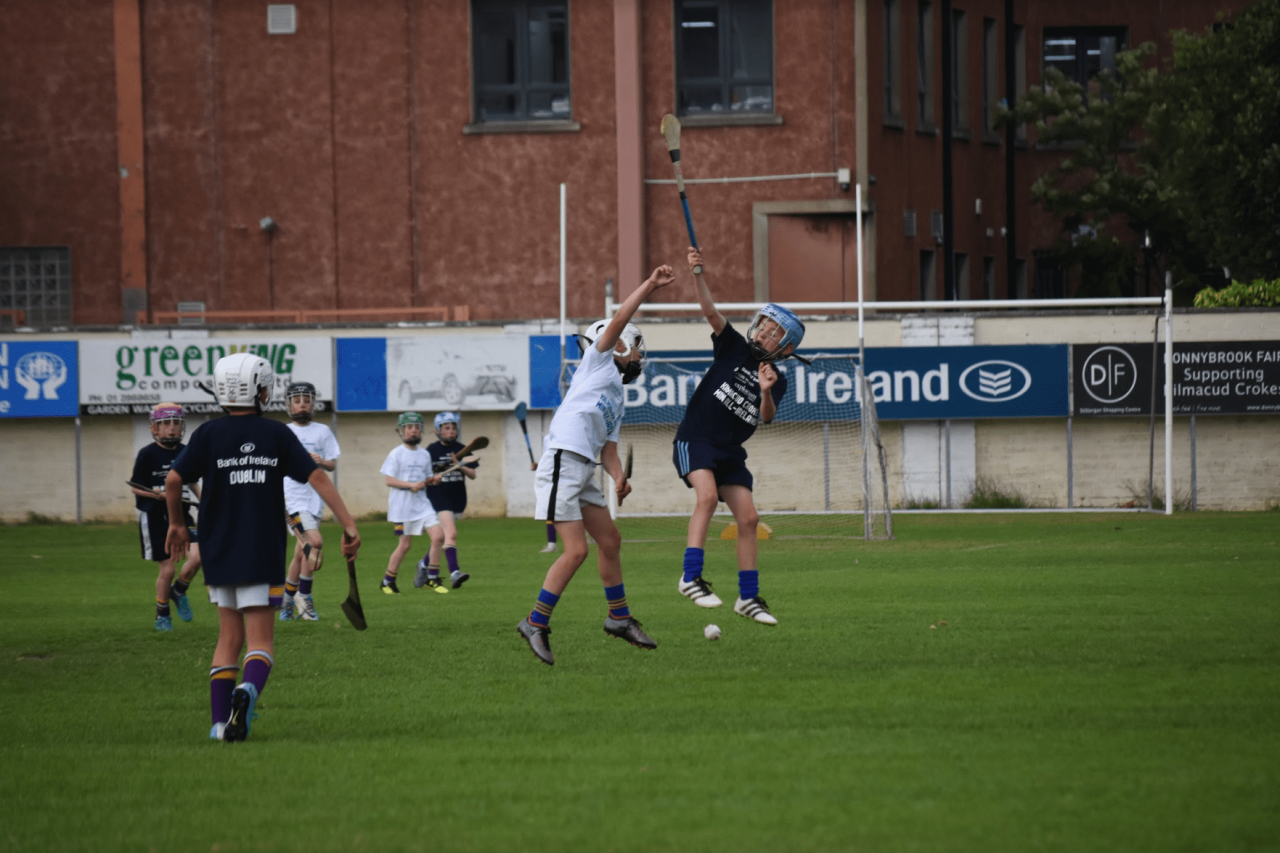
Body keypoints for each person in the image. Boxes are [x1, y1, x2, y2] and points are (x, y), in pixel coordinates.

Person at [165, 353, 360, 742]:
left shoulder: (207, 434)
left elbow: (173, 480)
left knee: (227, 640)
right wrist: (349, 525)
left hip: (219, 551)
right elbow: (317, 477)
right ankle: (248, 692)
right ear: (263, 390)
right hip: (261, 550)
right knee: (260, 642)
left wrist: (176, 524)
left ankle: (219, 726)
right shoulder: (276, 433)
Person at [517, 263, 675, 666]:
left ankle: (618, 618)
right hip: (562, 464)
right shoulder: (598, 363)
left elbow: (607, 449)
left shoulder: (617, 397)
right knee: (575, 552)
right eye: (636, 345)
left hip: (584, 467)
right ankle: (535, 622)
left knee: (610, 540)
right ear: (618, 343)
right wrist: (651, 285)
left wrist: (619, 477)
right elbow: (622, 315)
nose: (640, 353)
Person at [672, 246, 806, 627]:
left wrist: (765, 389)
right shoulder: (732, 346)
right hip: (695, 438)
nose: (763, 331)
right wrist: (697, 274)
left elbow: (767, 418)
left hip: (730, 452)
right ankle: (690, 576)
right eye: (762, 324)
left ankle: (748, 598)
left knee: (748, 518)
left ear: (787, 347)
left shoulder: (777, 378)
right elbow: (710, 311)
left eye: (773, 330)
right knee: (708, 497)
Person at [130, 402, 203, 631]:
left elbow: (191, 481)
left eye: (175, 424)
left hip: (182, 514)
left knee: (198, 557)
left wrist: (204, 500)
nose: (171, 429)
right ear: (155, 428)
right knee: (168, 569)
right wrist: (156, 495)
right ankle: (162, 615)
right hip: (154, 516)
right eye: (165, 424)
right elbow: (135, 487)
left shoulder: (186, 451)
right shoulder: (146, 454)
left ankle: (178, 591)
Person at [278, 381, 340, 622]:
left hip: (315, 500)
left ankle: (286, 603)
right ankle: (304, 597)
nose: (302, 404)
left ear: (313, 403)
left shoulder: (322, 431)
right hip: (292, 499)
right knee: (314, 542)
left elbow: (332, 464)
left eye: (306, 400)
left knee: (300, 554)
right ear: (288, 404)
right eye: (296, 400)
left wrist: (321, 461)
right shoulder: (282, 431)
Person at [379, 412, 444, 594]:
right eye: (409, 428)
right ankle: (387, 581)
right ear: (401, 431)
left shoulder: (424, 454)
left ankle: (432, 578)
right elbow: (389, 480)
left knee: (439, 536)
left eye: (417, 427)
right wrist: (410, 485)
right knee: (405, 545)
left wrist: (434, 479)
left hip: (422, 504)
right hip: (402, 506)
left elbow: (427, 477)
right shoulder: (396, 454)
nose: (413, 431)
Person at [418, 412, 477, 590]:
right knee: (451, 534)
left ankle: (423, 564)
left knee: (441, 538)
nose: (450, 431)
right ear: (438, 430)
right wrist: (432, 477)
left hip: (457, 498)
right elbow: (424, 475)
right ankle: (454, 573)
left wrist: (460, 463)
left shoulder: (463, 450)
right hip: (438, 498)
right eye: (446, 428)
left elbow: (473, 475)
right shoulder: (431, 451)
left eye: (453, 428)